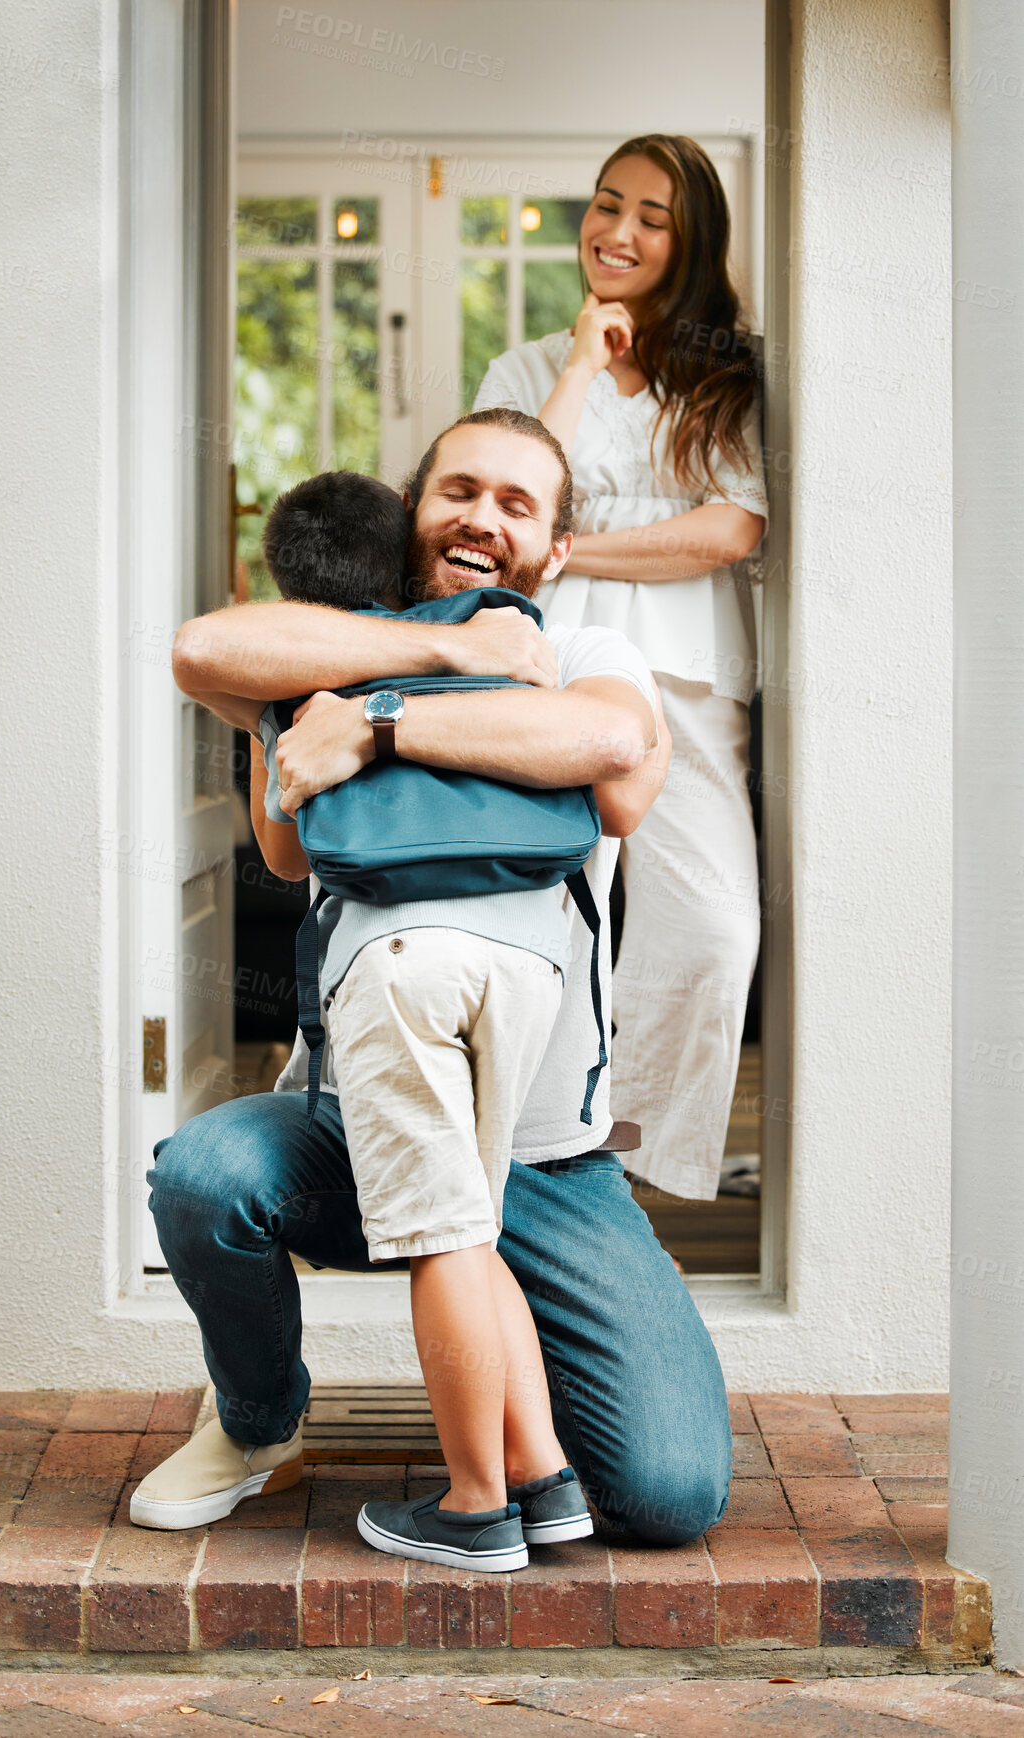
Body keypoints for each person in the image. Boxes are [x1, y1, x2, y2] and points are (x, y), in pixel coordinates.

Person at [131, 408, 733, 1550]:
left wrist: (385, 730)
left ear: (555, 552)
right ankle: (259, 1417)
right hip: (354, 1120)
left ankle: (516, 1429)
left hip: (546, 1154)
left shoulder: (587, 656)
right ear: (414, 510)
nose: (482, 518)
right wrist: (438, 653)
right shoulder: (340, 654)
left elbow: (609, 757)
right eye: (459, 490)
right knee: (205, 1179)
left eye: (518, 505)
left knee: (667, 1494)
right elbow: (201, 652)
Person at [250, 463, 600, 1570]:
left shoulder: (318, 667)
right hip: (524, 955)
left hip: (400, 960)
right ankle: (543, 1480)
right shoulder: (506, 632)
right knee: (473, 1222)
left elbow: (283, 850)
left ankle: (472, 1506)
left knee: (439, 1235)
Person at [472, 134, 768, 1204]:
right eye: (606, 205)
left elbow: (728, 530)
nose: (620, 231)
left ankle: (642, 1151)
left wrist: (572, 548)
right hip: (553, 677)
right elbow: (518, 495)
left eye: (652, 216)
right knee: (555, 912)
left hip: (688, 680)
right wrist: (582, 364)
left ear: (689, 243)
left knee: (713, 926)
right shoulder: (525, 368)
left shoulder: (730, 370)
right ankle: (547, 1147)